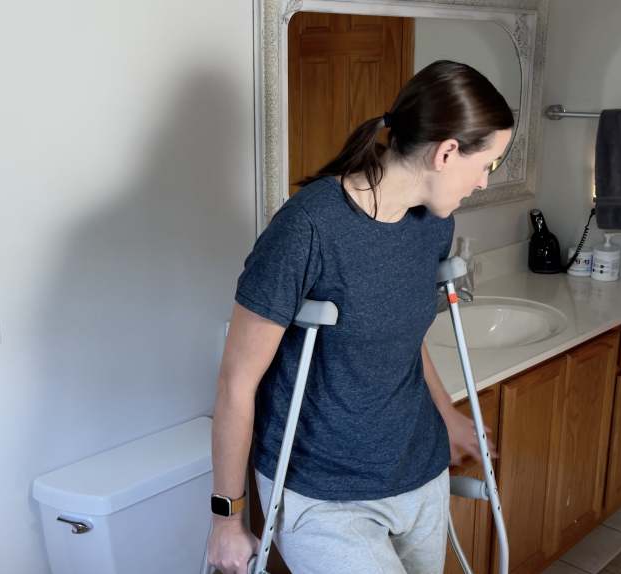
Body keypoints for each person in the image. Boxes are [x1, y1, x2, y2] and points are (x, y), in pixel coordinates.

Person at [207, 60, 514, 574]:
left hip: (418, 471)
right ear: (445, 153)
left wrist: (447, 413)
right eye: (487, 164)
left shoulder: (432, 225)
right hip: (322, 490)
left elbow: (402, 337)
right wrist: (226, 518)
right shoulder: (307, 228)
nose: (484, 182)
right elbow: (237, 381)